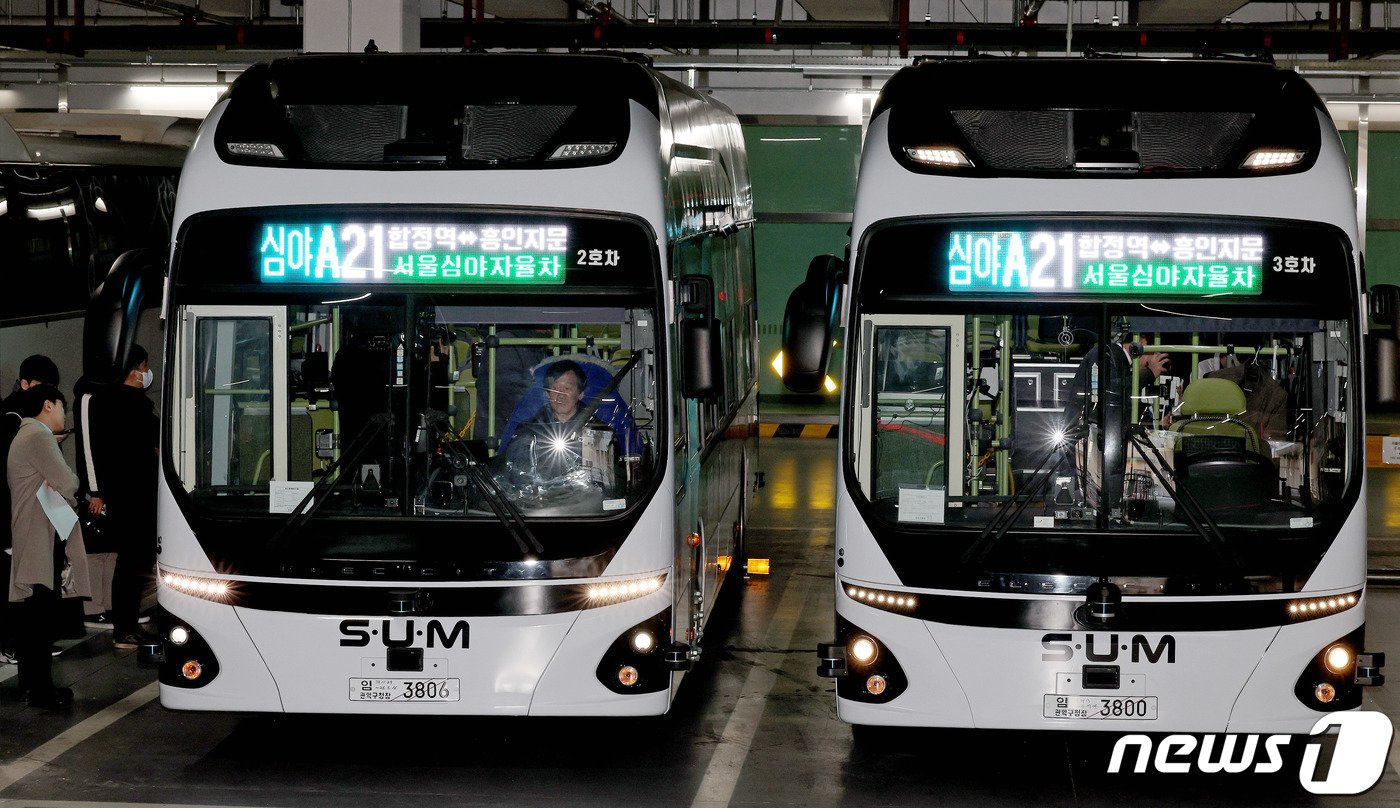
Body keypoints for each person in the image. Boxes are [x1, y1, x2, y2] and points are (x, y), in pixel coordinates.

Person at [7, 384, 91, 708]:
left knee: (31, 617)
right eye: (61, 407)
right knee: (40, 617)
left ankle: (32, 685)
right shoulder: (38, 436)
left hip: (29, 533)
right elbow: (69, 483)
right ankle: (42, 691)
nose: (63, 414)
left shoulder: (23, 435)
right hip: (40, 536)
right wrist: (68, 477)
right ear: (47, 405)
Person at [82, 345, 158, 651]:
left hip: (128, 492)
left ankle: (126, 624)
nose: (146, 372)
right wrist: (96, 491)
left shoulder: (113, 401)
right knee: (133, 562)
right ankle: (124, 628)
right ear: (133, 369)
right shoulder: (122, 403)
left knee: (134, 561)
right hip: (134, 493)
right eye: (144, 366)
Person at [1061, 332, 1170, 512]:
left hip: (1095, 437)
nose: (1153, 359)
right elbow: (1111, 390)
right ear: (1140, 341)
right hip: (1086, 438)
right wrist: (1148, 374)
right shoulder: (1107, 354)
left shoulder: (1112, 356)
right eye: (1153, 352)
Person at [0, 355, 63, 665]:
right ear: (24, 384)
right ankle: (18, 647)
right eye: (41, 388)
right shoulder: (12, 417)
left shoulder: (31, 416)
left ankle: (31, 647)